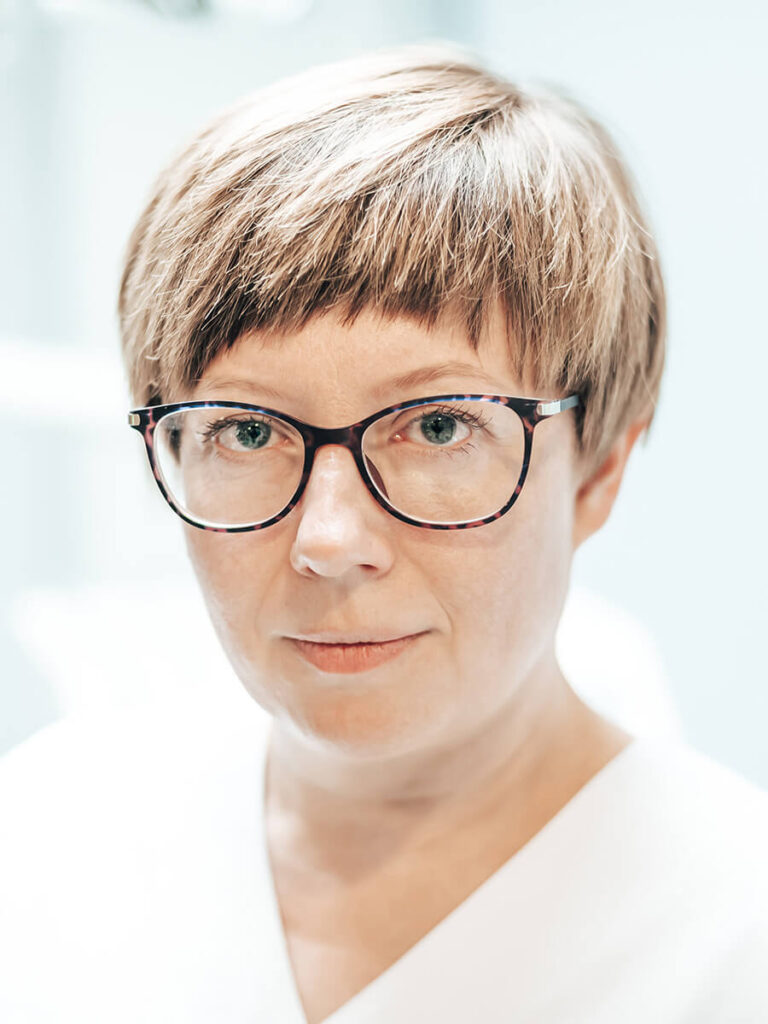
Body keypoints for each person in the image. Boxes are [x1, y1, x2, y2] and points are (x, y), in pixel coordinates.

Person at [1, 42, 767, 1024]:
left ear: (600, 469)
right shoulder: (47, 838)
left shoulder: (731, 933)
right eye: (247, 431)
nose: (328, 539)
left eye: (439, 426)